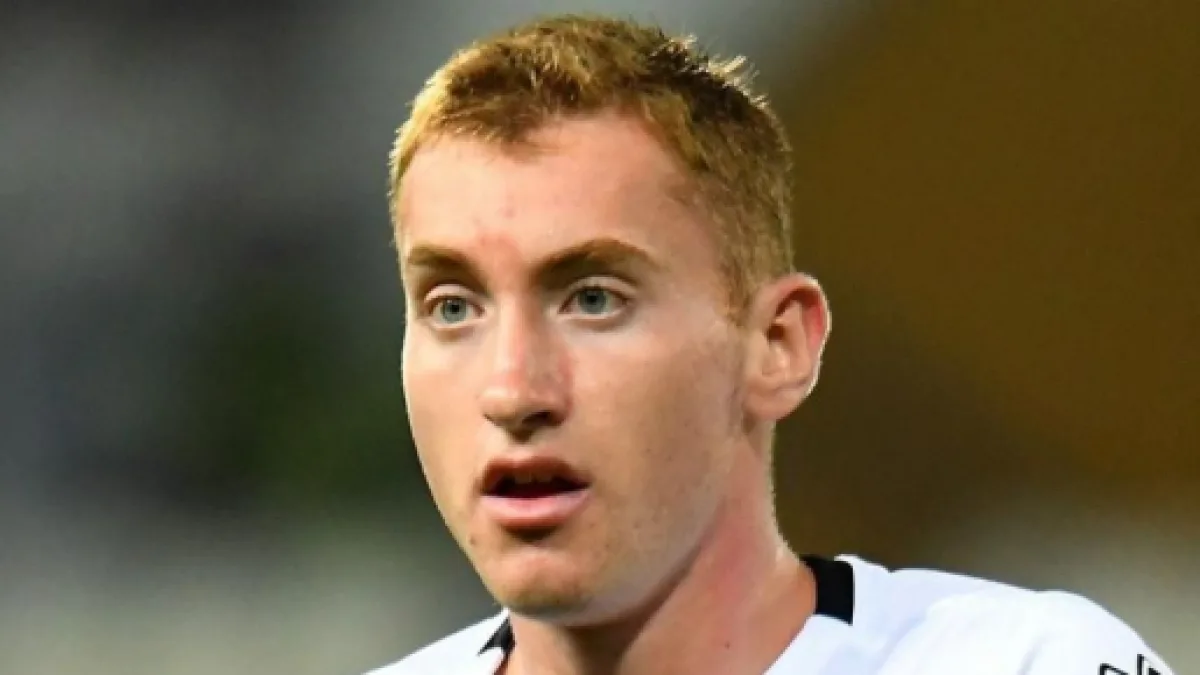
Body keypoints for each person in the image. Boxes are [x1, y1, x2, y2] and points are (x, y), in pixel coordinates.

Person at [370, 14, 1174, 675]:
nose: (512, 390)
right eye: (453, 308)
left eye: (593, 299)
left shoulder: (1033, 662)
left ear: (777, 344)